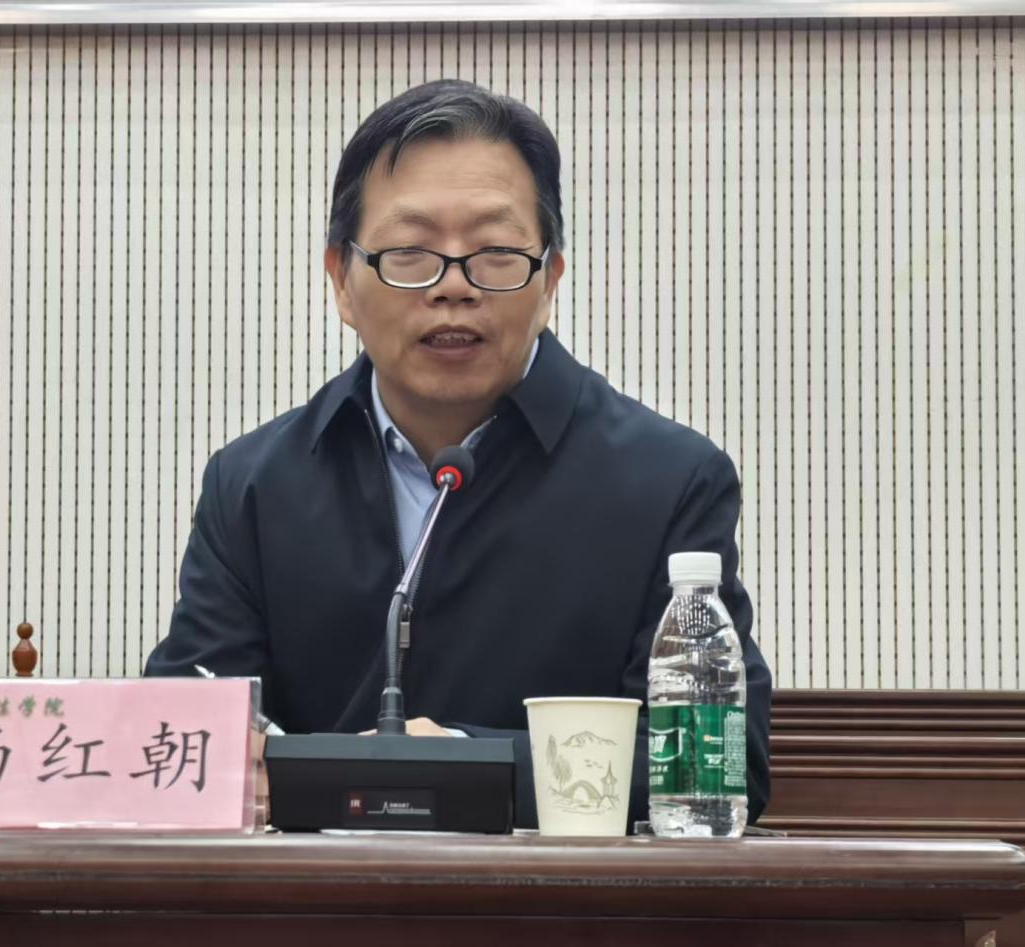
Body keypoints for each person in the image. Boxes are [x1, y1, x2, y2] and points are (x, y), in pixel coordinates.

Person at [145, 79, 771, 829]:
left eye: (495, 253)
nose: (451, 287)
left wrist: (465, 766)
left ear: (549, 281)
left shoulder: (667, 481)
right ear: (340, 281)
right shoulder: (255, 483)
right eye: (409, 254)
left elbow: (716, 764)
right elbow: (185, 737)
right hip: (314, 891)